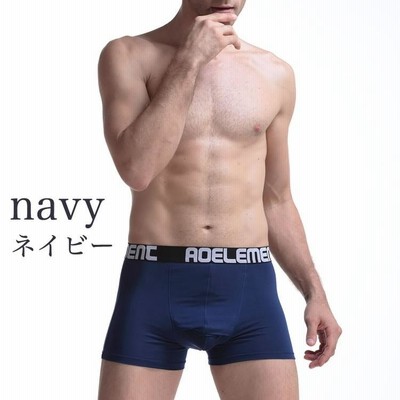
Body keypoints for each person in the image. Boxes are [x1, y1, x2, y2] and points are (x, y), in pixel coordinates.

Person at [97, 1, 342, 399]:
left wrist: (315, 291)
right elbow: (137, 170)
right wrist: (190, 60)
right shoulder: (128, 55)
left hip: (248, 288)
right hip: (154, 285)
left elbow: (277, 200)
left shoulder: (274, 73)